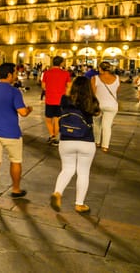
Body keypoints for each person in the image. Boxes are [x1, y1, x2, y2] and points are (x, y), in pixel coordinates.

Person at [0, 63, 33, 204]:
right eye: (14, 72)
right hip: (11, 132)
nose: (16, 75)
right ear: (9, 75)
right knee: (15, 161)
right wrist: (29, 109)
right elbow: (22, 112)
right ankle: (15, 189)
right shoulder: (14, 92)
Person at [51, 76, 100, 214]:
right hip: (86, 140)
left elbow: (59, 113)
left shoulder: (65, 99)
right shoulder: (91, 100)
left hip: (66, 140)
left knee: (67, 169)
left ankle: (57, 193)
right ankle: (79, 204)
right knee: (83, 172)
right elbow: (97, 113)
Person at [41, 56, 71, 146]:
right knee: (57, 119)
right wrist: (64, 93)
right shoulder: (66, 73)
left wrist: (50, 90)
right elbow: (69, 86)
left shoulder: (46, 73)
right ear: (61, 63)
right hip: (60, 100)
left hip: (50, 99)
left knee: (48, 119)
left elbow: (43, 86)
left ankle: (52, 135)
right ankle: (55, 137)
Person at [92, 61, 119, 153]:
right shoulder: (117, 78)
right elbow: (116, 91)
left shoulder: (95, 78)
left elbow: (93, 93)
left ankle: (97, 142)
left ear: (100, 68)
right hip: (112, 105)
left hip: (98, 105)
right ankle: (105, 146)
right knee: (107, 126)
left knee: (97, 124)